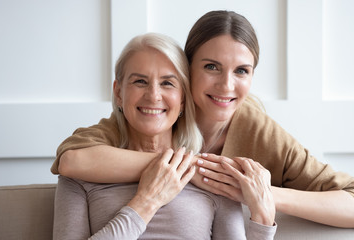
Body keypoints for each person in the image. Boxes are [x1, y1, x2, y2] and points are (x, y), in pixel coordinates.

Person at [51, 10, 354, 228]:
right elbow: (72, 161)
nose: (226, 85)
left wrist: (261, 194)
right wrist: (181, 166)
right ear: (187, 70)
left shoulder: (257, 129)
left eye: (241, 71)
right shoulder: (149, 117)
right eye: (211, 67)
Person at [53, 32, 277, 239]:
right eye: (140, 81)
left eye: (167, 83)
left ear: (182, 99)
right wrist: (147, 201)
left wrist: (264, 220)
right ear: (119, 93)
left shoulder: (208, 177)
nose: (153, 95)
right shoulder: (80, 176)